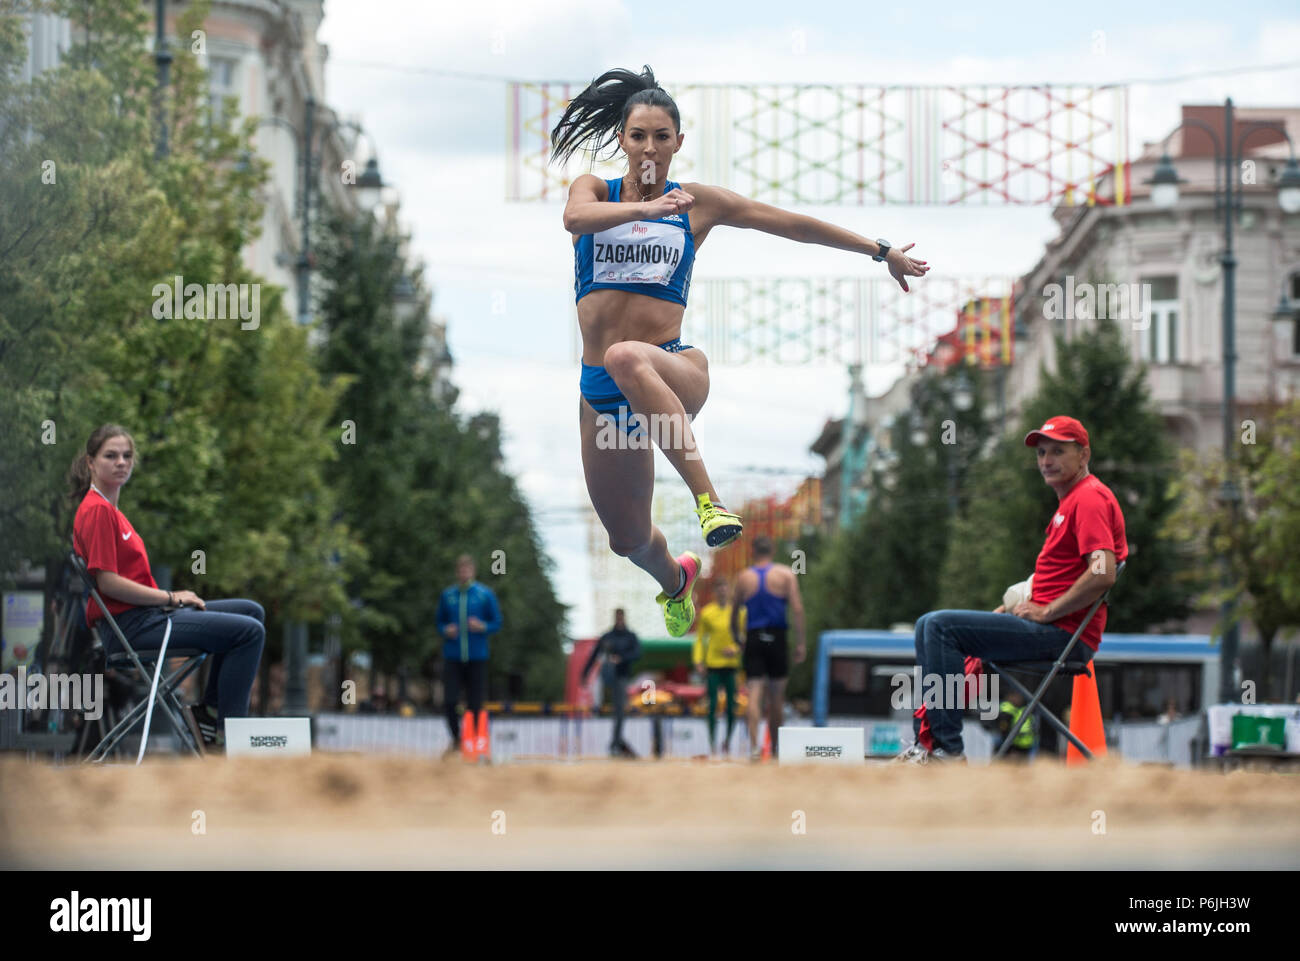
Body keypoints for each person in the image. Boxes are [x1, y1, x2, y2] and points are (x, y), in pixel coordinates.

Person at [552, 65, 929, 640]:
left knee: (628, 355)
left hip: (672, 368)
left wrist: (880, 250)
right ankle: (677, 580)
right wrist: (645, 210)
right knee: (627, 539)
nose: (649, 148)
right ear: (622, 141)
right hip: (602, 401)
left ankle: (710, 503)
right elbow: (573, 219)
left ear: (679, 142)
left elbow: (792, 225)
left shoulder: (699, 203)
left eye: (661, 137)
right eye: (638, 136)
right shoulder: (595, 192)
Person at [898, 416, 1128, 764]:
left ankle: (946, 750)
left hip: (1060, 634)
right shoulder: (1073, 502)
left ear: (1083, 455)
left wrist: (1047, 611)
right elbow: (1065, 577)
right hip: (1052, 628)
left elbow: (1103, 572)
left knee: (938, 626)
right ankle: (931, 746)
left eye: (1057, 451)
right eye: (1041, 452)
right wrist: (1021, 604)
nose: (1046, 460)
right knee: (929, 625)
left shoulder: (1089, 499)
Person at [69, 425, 266, 752]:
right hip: (132, 627)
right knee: (249, 632)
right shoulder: (98, 511)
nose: (121, 462)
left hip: (148, 617)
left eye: (127, 456)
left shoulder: (111, 511)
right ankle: (227, 740)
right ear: (90, 462)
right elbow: (109, 583)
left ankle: (209, 718)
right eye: (111, 456)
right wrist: (172, 597)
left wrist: (168, 603)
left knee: (251, 611)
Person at [731, 536, 806, 761]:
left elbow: (734, 615)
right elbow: (798, 609)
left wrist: (738, 638)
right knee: (776, 697)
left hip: (753, 638)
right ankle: (774, 750)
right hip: (777, 637)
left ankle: (754, 748)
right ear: (772, 549)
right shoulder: (785, 574)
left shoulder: (744, 577)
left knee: (754, 694)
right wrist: (801, 642)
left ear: (753, 551)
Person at [435, 555, 502, 759]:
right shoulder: (448, 595)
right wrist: (446, 630)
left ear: (472, 571)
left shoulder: (485, 594)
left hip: (477, 657)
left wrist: (483, 626)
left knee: (475, 703)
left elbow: (497, 622)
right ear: (458, 572)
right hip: (453, 657)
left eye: (467, 569)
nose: (464, 573)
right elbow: (439, 623)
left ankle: (473, 743)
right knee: (449, 701)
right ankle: (455, 739)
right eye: (461, 569)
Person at [693, 580, 744, 756]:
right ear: (715, 591)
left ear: (729, 590)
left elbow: (745, 638)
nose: (722, 592)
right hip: (713, 665)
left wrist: (736, 649)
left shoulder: (739, 612)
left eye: (725, 588)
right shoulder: (707, 613)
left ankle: (728, 741)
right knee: (712, 705)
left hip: (731, 666)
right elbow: (700, 639)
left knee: (732, 706)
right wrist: (699, 660)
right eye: (719, 588)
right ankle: (712, 743)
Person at [582, 608, 642, 757]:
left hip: (622, 676)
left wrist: (622, 658)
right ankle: (616, 743)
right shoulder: (607, 637)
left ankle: (616, 743)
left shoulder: (630, 636)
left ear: (624, 618)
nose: (620, 620)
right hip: (607, 677)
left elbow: (637, 653)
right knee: (614, 710)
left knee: (620, 711)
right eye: (618, 617)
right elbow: (594, 656)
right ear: (615, 618)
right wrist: (585, 674)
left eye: (621, 617)